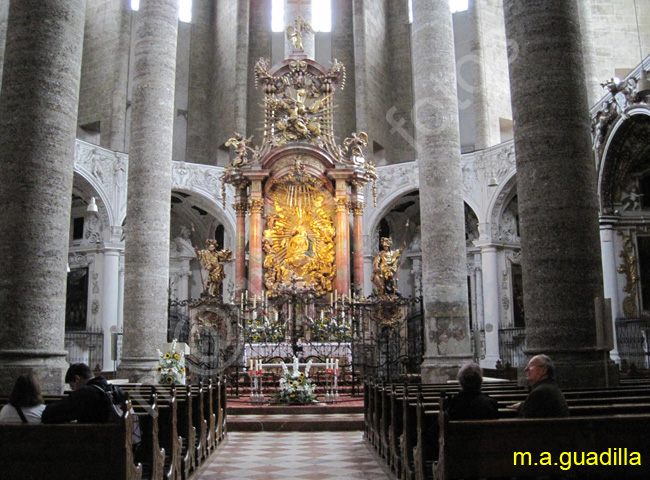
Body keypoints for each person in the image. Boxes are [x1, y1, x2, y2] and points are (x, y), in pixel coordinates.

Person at [41, 363, 127, 424]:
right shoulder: (113, 388)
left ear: (77, 379)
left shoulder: (85, 393)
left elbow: (49, 414)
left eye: (72, 386)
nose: (73, 390)